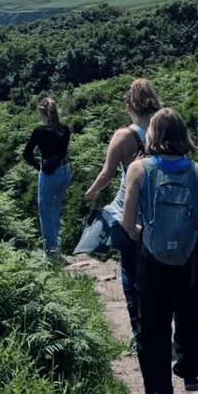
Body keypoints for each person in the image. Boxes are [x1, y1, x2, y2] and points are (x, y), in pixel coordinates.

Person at [121, 107, 198, 394]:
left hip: (151, 258)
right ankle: (189, 367)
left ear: (153, 135)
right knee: (188, 309)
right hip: (189, 256)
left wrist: (144, 232)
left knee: (153, 329)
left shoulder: (139, 169)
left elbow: (128, 224)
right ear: (183, 135)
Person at [74, 78, 162, 345]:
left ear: (128, 104)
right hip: (159, 213)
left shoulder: (124, 136)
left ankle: (140, 332)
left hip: (130, 213)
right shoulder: (164, 128)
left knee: (131, 273)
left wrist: (90, 193)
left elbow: (106, 174)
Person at [22, 98, 72, 260]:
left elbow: (27, 154)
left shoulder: (39, 132)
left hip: (49, 174)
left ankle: (51, 254)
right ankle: (55, 245)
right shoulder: (65, 130)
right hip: (64, 171)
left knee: (46, 213)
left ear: (42, 114)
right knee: (56, 210)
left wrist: (40, 168)